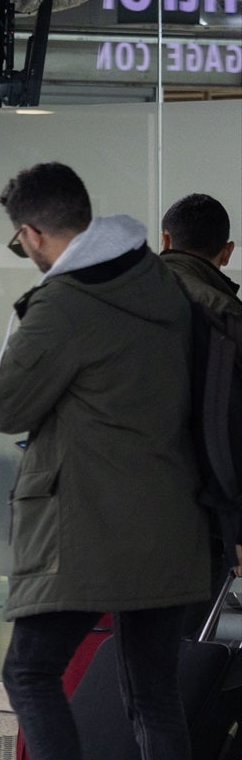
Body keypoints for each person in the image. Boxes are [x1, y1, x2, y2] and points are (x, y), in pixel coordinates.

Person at [0, 163, 207, 760]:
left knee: (30, 669)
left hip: (89, 527)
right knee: (154, 698)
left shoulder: (66, 303)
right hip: (172, 524)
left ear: (38, 233)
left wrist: (18, 328)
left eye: (22, 242)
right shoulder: (161, 285)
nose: (26, 252)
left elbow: (1, 402)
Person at [159, 192, 242, 581]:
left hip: (108, 495)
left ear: (164, 240)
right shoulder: (224, 315)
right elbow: (231, 425)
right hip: (196, 503)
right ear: (227, 252)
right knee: (180, 630)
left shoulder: (114, 298)